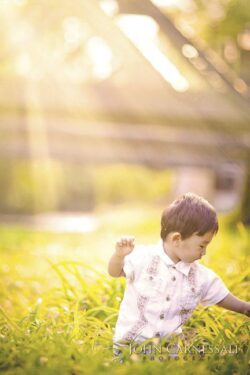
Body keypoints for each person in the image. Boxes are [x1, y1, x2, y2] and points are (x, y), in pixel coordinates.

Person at [107, 192, 250, 358]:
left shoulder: (199, 276)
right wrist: (119, 256)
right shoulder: (143, 258)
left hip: (168, 353)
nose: (204, 252)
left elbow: (220, 296)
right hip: (130, 347)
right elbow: (115, 272)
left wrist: (245, 307)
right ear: (177, 239)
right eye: (202, 245)